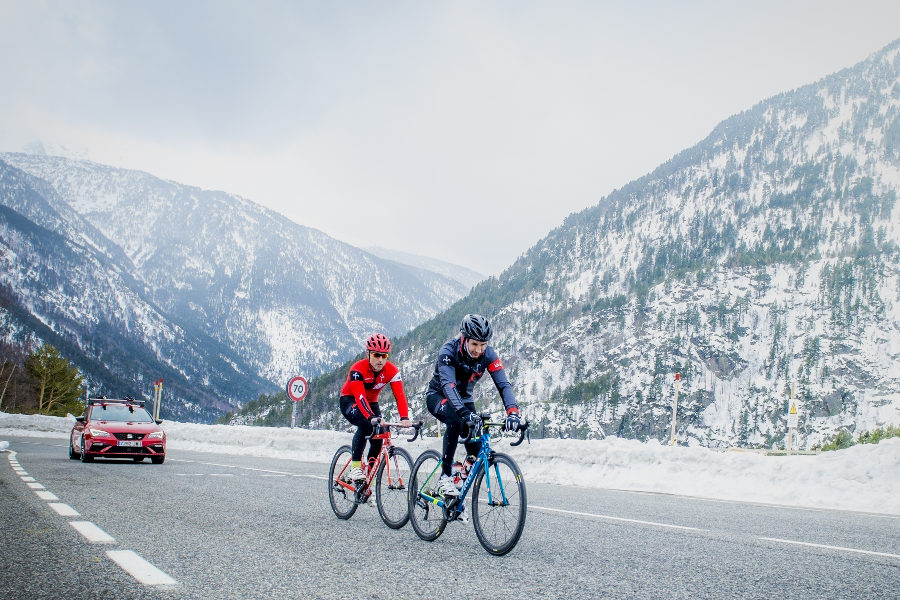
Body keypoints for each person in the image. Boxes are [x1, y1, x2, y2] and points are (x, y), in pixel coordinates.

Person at [425, 313, 521, 498]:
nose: (479, 349)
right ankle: (445, 477)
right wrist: (463, 413)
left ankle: (458, 483)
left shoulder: (489, 355)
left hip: (465, 401)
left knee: (477, 451)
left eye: (483, 345)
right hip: (438, 395)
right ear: (464, 338)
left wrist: (513, 412)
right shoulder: (448, 350)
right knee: (455, 421)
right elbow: (448, 385)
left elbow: (503, 385)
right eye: (474, 344)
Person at [339, 333, 412, 482]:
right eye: (376, 355)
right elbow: (360, 397)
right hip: (350, 400)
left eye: (384, 356)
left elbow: (400, 395)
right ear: (368, 353)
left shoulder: (392, 370)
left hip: (371, 402)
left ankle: (369, 480)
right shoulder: (357, 369)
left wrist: (404, 417)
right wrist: (371, 417)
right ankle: (355, 467)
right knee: (366, 424)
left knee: (380, 434)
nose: (380, 360)